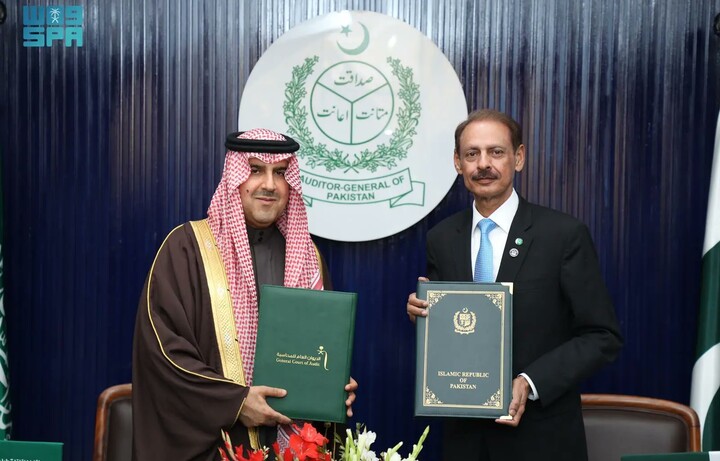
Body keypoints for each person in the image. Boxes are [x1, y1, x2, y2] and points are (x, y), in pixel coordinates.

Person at [406, 109, 623, 461]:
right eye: (472, 153)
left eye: (496, 152)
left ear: (518, 158)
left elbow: (602, 336)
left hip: (541, 441)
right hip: (465, 442)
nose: (483, 164)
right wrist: (423, 315)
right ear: (458, 163)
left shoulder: (563, 235)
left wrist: (530, 381)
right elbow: (456, 328)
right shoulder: (442, 238)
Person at [132, 128, 357, 461]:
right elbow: (163, 354)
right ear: (234, 177)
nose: (269, 184)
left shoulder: (308, 258)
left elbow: (319, 350)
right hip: (216, 446)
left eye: (280, 173)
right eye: (255, 170)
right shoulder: (186, 250)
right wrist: (235, 403)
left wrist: (332, 384)